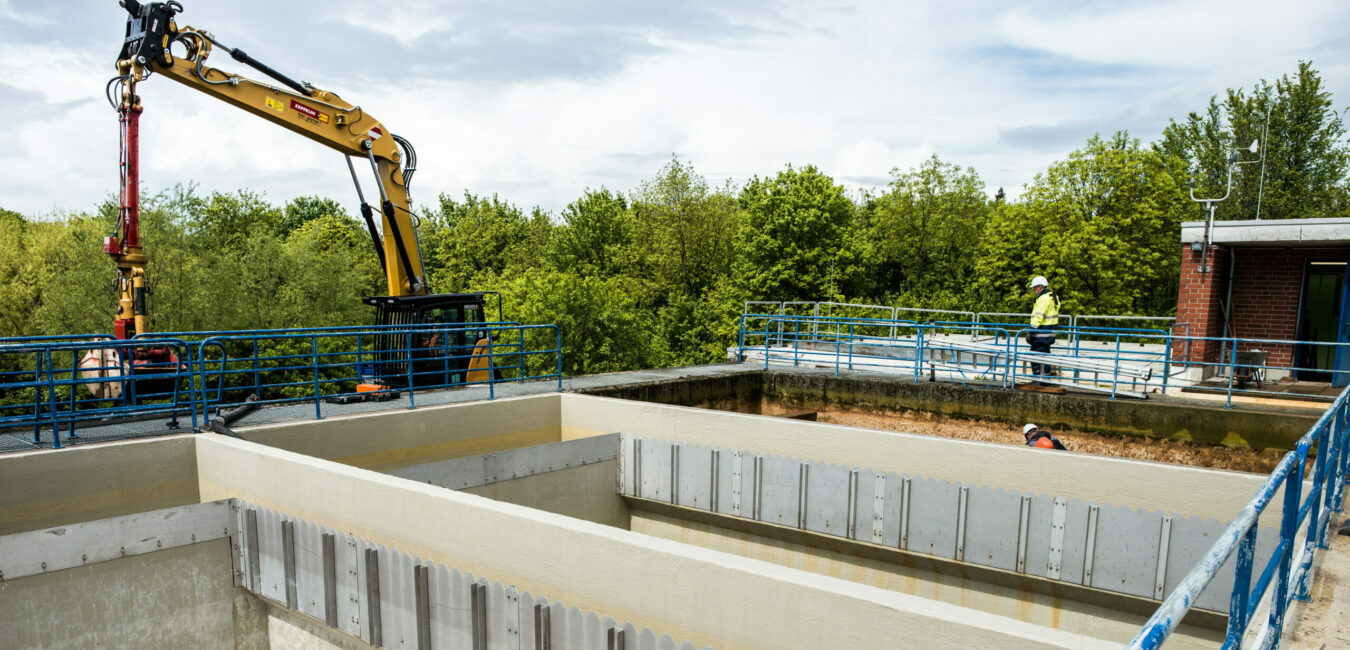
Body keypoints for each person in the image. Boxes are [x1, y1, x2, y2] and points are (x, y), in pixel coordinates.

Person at [1027, 275, 1061, 384]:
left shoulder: (1043, 299)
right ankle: (1044, 379)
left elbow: (1038, 316)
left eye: (1034, 288)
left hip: (1041, 333)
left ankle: (1039, 379)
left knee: (1035, 355)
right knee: (1045, 356)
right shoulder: (1052, 297)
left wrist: (1031, 331)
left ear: (1039, 288)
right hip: (1050, 332)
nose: (1033, 291)